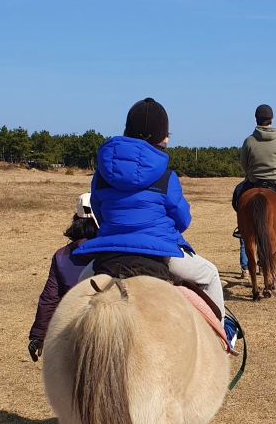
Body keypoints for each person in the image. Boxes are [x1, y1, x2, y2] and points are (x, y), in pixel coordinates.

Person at [75, 98, 234, 341]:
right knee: (211, 274)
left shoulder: (101, 175)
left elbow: (98, 211)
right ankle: (221, 336)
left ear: (126, 132)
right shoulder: (166, 176)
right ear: (164, 139)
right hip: (159, 254)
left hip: (109, 254)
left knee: (78, 288)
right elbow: (182, 219)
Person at [28, 193, 98, 361]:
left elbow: (50, 298)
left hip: (72, 331)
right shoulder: (115, 251)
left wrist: (38, 335)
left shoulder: (62, 255)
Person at [232, 104, 276, 243]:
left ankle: (241, 227)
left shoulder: (249, 140)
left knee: (238, 199)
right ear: (271, 119)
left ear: (256, 119)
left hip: (253, 180)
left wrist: (251, 173)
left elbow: (244, 164)